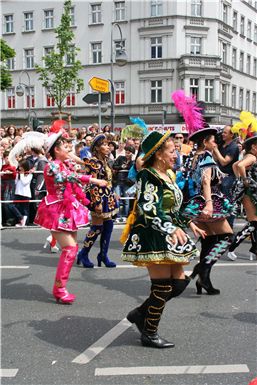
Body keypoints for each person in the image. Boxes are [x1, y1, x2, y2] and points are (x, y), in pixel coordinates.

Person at [122, 131, 205, 348]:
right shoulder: (148, 175)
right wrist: (169, 228)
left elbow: (172, 207)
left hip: (169, 232)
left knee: (178, 284)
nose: (176, 155)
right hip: (154, 234)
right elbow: (148, 208)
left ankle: (141, 313)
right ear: (158, 154)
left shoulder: (168, 175)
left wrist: (188, 223)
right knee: (161, 287)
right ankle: (149, 332)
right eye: (172, 151)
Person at [34, 132, 107, 303]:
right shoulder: (51, 166)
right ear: (56, 150)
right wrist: (93, 180)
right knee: (70, 249)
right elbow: (68, 177)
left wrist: (85, 163)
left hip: (68, 208)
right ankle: (59, 290)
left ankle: (59, 288)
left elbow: (73, 179)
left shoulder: (65, 163)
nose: (69, 149)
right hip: (56, 210)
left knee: (71, 250)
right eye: (64, 146)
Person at [182, 126, 234, 294]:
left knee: (209, 241)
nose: (215, 143)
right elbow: (205, 181)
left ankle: (204, 281)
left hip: (196, 202)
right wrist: (210, 203)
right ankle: (202, 269)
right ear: (205, 142)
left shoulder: (193, 156)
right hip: (208, 201)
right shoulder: (206, 156)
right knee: (227, 237)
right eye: (212, 141)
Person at [77, 134, 119, 268]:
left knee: (109, 226)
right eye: (104, 145)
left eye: (108, 144)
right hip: (99, 198)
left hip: (108, 197)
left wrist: (113, 193)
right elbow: (93, 183)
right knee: (97, 227)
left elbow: (108, 180)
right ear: (97, 148)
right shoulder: (94, 162)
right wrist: (97, 202)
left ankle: (103, 255)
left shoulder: (105, 160)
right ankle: (83, 253)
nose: (108, 147)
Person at [227, 133, 257, 261]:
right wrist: (244, 180)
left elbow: (235, 166)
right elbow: (239, 166)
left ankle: (254, 250)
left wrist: (239, 179)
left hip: (248, 193)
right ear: (254, 146)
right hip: (249, 193)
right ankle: (232, 247)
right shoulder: (252, 158)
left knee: (254, 223)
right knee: (253, 223)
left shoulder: (249, 156)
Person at [213, 125, 239, 227]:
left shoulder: (233, 147)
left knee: (228, 200)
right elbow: (216, 159)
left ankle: (229, 224)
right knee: (219, 199)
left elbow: (224, 162)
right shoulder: (221, 145)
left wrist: (216, 150)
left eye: (225, 133)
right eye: (222, 132)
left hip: (229, 176)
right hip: (220, 175)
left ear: (231, 135)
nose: (223, 134)